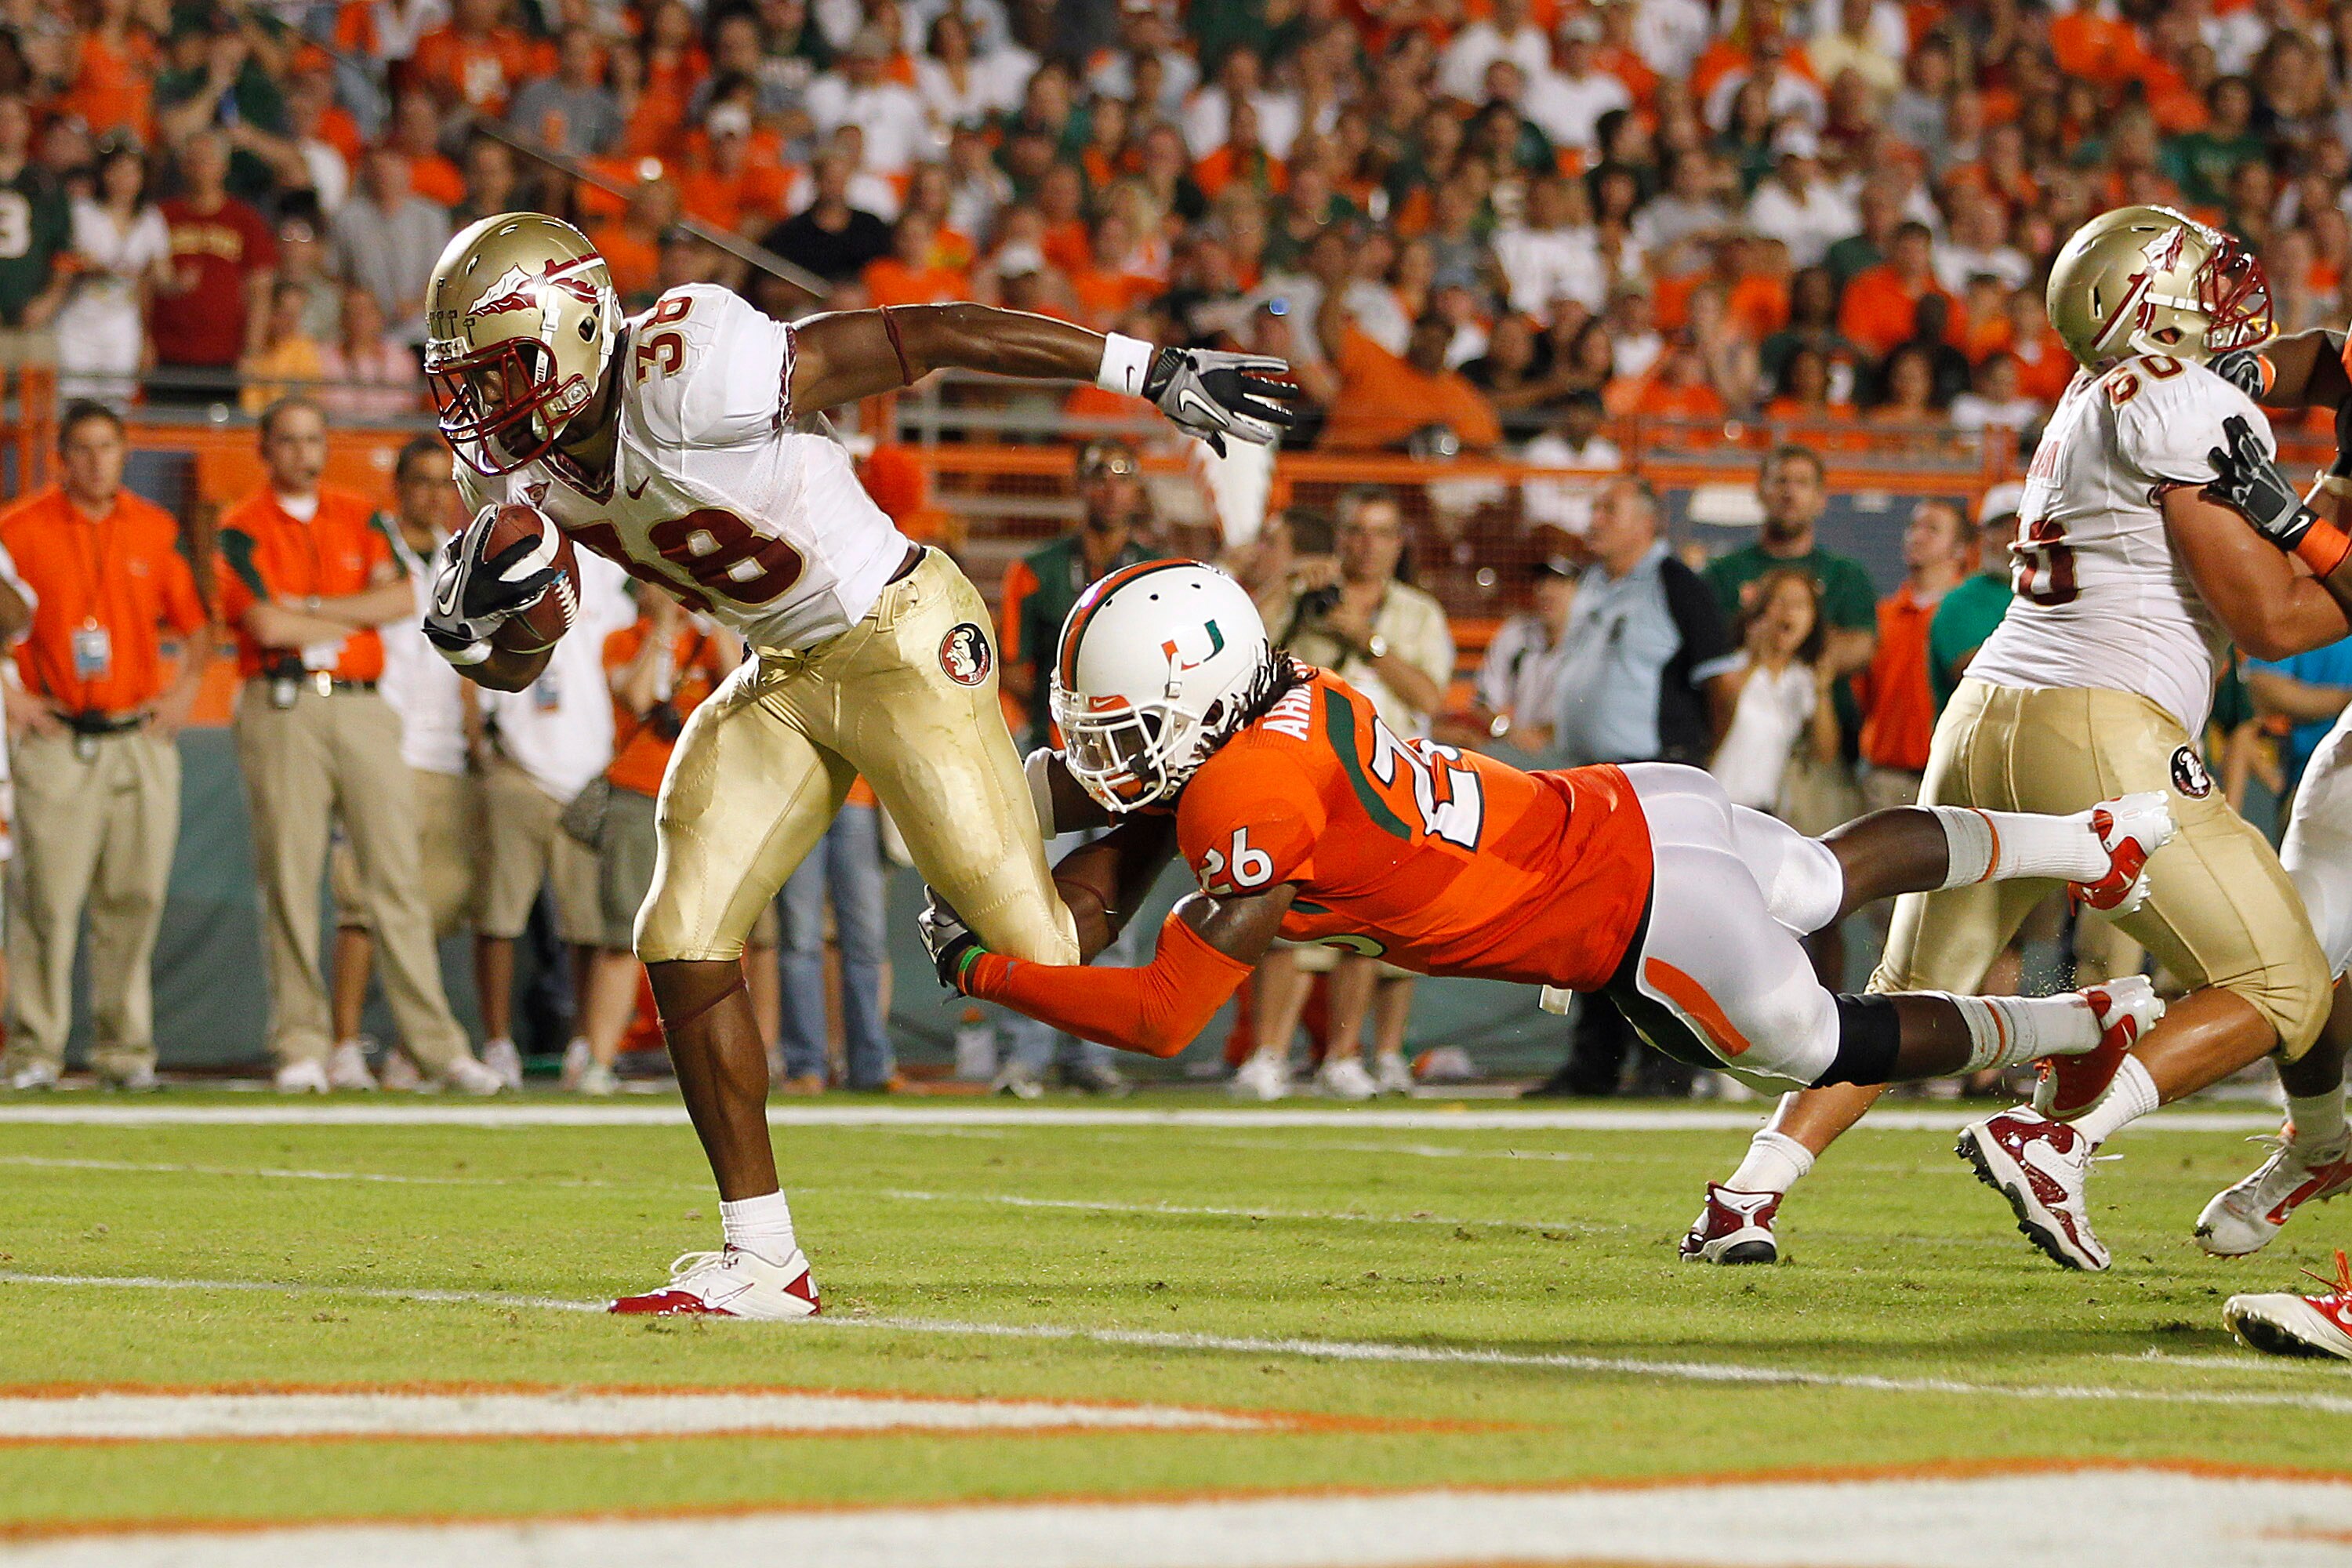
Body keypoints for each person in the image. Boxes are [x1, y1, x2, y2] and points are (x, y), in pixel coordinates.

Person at [417, 212, 1293, 1317]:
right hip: (783, 670)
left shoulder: (689, 364)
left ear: (578, 330)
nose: (478, 405)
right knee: (681, 930)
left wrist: (1146, 369)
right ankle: (764, 1258)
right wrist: (481, 632)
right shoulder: (511, 473)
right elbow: (522, 652)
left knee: (1043, 949)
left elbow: (929, 333)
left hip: (899, 638)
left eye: (497, 371)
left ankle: (1188, 780)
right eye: (465, 377)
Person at [1685, 206, 2346, 1272]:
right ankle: (2057, 1138)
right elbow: (2275, 621)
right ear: (2161, 314)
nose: (2234, 303)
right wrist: (2331, 511)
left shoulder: (2104, 393)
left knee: (1908, 1002)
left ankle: (1747, 1193)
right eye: (2205, 285)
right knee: (2285, 985)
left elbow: (2311, 366)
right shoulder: (2188, 404)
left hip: (1992, 710)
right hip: (2101, 729)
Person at [918, 562, 2170, 1120]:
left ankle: (2082, 1023)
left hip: (1635, 913)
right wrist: (1004, 808)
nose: (1108, 753)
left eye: (1130, 727)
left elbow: (1158, 1017)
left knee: (1817, 1042)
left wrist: (982, 967)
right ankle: (2084, 834)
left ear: (1203, 693)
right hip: (1632, 800)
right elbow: (1108, 802)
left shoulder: (1247, 802)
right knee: (1823, 868)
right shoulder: (1278, 698)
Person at [215, 397, 503, 1097]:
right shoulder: (240, 525)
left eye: (313, 439)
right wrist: (334, 612)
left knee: (396, 879)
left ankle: (437, 1050)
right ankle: (303, 1043)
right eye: (288, 440)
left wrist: (309, 607)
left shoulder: (359, 515)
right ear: (265, 448)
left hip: (366, 706)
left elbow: (400, 602)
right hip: (283, 701)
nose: (302, 453)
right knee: (291, 877)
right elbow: (261, 622)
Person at [0, 401, 201, 1091]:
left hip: (135, 737)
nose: (95, 461)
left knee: (136, 897)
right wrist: (9, 693)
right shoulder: (18, 528)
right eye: (81, 449)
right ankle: (34, 1051)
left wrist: (184, 691)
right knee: (47, 902)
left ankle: (125, 1051)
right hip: (58, 737)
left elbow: (195, 625)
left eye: (107, 447)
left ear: (124, 454)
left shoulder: (153, 527)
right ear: (60, 457)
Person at [1530, 474, 1733, 1098]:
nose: (1595, 517)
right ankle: (1593, 1064)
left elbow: (1722, 689)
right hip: (1592, 781)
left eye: (1608, 508)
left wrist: (1691, 762)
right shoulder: (1593, 582)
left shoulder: (1676, 584)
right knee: (1592, 927)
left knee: (1656, 927)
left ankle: (1668, 1068)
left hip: (1649, 779)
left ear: (1648, 522)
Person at [1246, 488, 1453, 1099]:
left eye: (1379, 532)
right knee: (1286, 920)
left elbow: (1430, 696)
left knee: (1371, 925)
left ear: (1397, 544)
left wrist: (1365, 639)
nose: (1366, 545)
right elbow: (1246, 651)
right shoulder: (1305, 598)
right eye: (1355, 531)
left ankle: (1346, 1055)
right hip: (1309, 775)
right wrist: (1286, 586)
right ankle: (1269, 1055)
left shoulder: (1417, 612)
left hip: (1389, 781)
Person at [992, 436, 1159, 1098]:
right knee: (1034, 907)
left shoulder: (1156, 571)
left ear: (1137, 488)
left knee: (1114, 915)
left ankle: (1092, 1053)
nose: (1110, 489)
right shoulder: (1036, 570)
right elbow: (1011, 666)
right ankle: (1025, 1057)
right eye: (1098, 475)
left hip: (1132, 766)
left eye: (1122, 475)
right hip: (1058, 759)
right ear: (1079, 486)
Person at [326, 437, 481, 1091]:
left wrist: (476, 736)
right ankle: (342, 1043)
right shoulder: (367, 545)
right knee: (364, 905)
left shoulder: (464, 557)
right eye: (418, 481)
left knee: (435, 907)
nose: (431, 494)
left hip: (443, 746)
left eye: (442, 483)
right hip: (380, 739)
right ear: (397, 485)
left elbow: (475, 654)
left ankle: (410, 1048)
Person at [470, 543, 633, 1089]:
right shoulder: (507, 553)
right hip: (518, 764)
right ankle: (497, 1043)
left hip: (588, 770)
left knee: (588, 924)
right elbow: (467, 650)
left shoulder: (610, 570)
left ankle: (585, 1045)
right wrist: (481, 746)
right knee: (498, 918)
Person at [571, 591, 744, 1097]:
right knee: (622, 936)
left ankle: (724, 1063)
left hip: (702, 801)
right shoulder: (623, 640)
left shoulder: (708, 639)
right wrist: (664, 627)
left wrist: (715, 623)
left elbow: (740, 687)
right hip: (637, 796)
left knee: (712, 939)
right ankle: (598, 1063)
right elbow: (640, 698)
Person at [1854, 499, 1971, 815]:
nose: (1917, 536)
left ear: (1959, 549)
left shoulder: (1970, 619)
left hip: (1951, 779)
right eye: (1913, 527)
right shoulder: (1882, 617)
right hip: (1884, 779)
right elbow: (1862, 700)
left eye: (1932, 529)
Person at [150, 130, 275, 403]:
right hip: (168, 354)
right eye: (193, 161)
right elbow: (144, 283)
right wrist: (145, 341)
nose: (200, 169)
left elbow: (260, 290)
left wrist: (252, 351)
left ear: (223, 167)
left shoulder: (245, 219)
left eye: (207, 161)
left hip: (225, 357)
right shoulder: (162, 216)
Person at [1710, 568, 1835, 815]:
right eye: (1780, 601)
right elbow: (1718, 721)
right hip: (1715, 805)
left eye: (1800, 605)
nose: (1789, 612)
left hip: (1763, 812)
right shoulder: (1729, 667)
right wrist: (1754, 662)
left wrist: (1822, 692)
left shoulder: (1802, 680)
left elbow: (1824, 753)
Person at [53, 136, 166, 406]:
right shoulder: (82, 212)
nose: (124, 179)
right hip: (79, 321)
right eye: (116, 170)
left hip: (121, 324)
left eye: (131, 171)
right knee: (73, 401)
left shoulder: (150, 219)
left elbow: (158, 277)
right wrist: (88, 266)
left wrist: (179, 285)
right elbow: (62, 260)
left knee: (115, 403)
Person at [1926, 485, 2020, 711]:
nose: (2010, 539)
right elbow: (1977, 676)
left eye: (2019, 527)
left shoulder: (2050, 595)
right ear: (1982, 537)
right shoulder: (1960, 602)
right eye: (1999, 529)